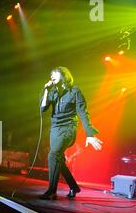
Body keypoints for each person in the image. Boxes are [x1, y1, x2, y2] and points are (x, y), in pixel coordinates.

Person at [39, 67, 103, 200]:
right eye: (50, 75)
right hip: (55, 129)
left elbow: (83, 112)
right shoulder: (53, 92)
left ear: (64, 75)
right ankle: (74, 187)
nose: (52, 76)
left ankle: (51, 191)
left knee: (53, 155)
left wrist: (89, 134)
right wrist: (45, 90)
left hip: (68, 129)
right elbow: (43, 108)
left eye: (54, 74)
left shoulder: (75, 91)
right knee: (58, 160)